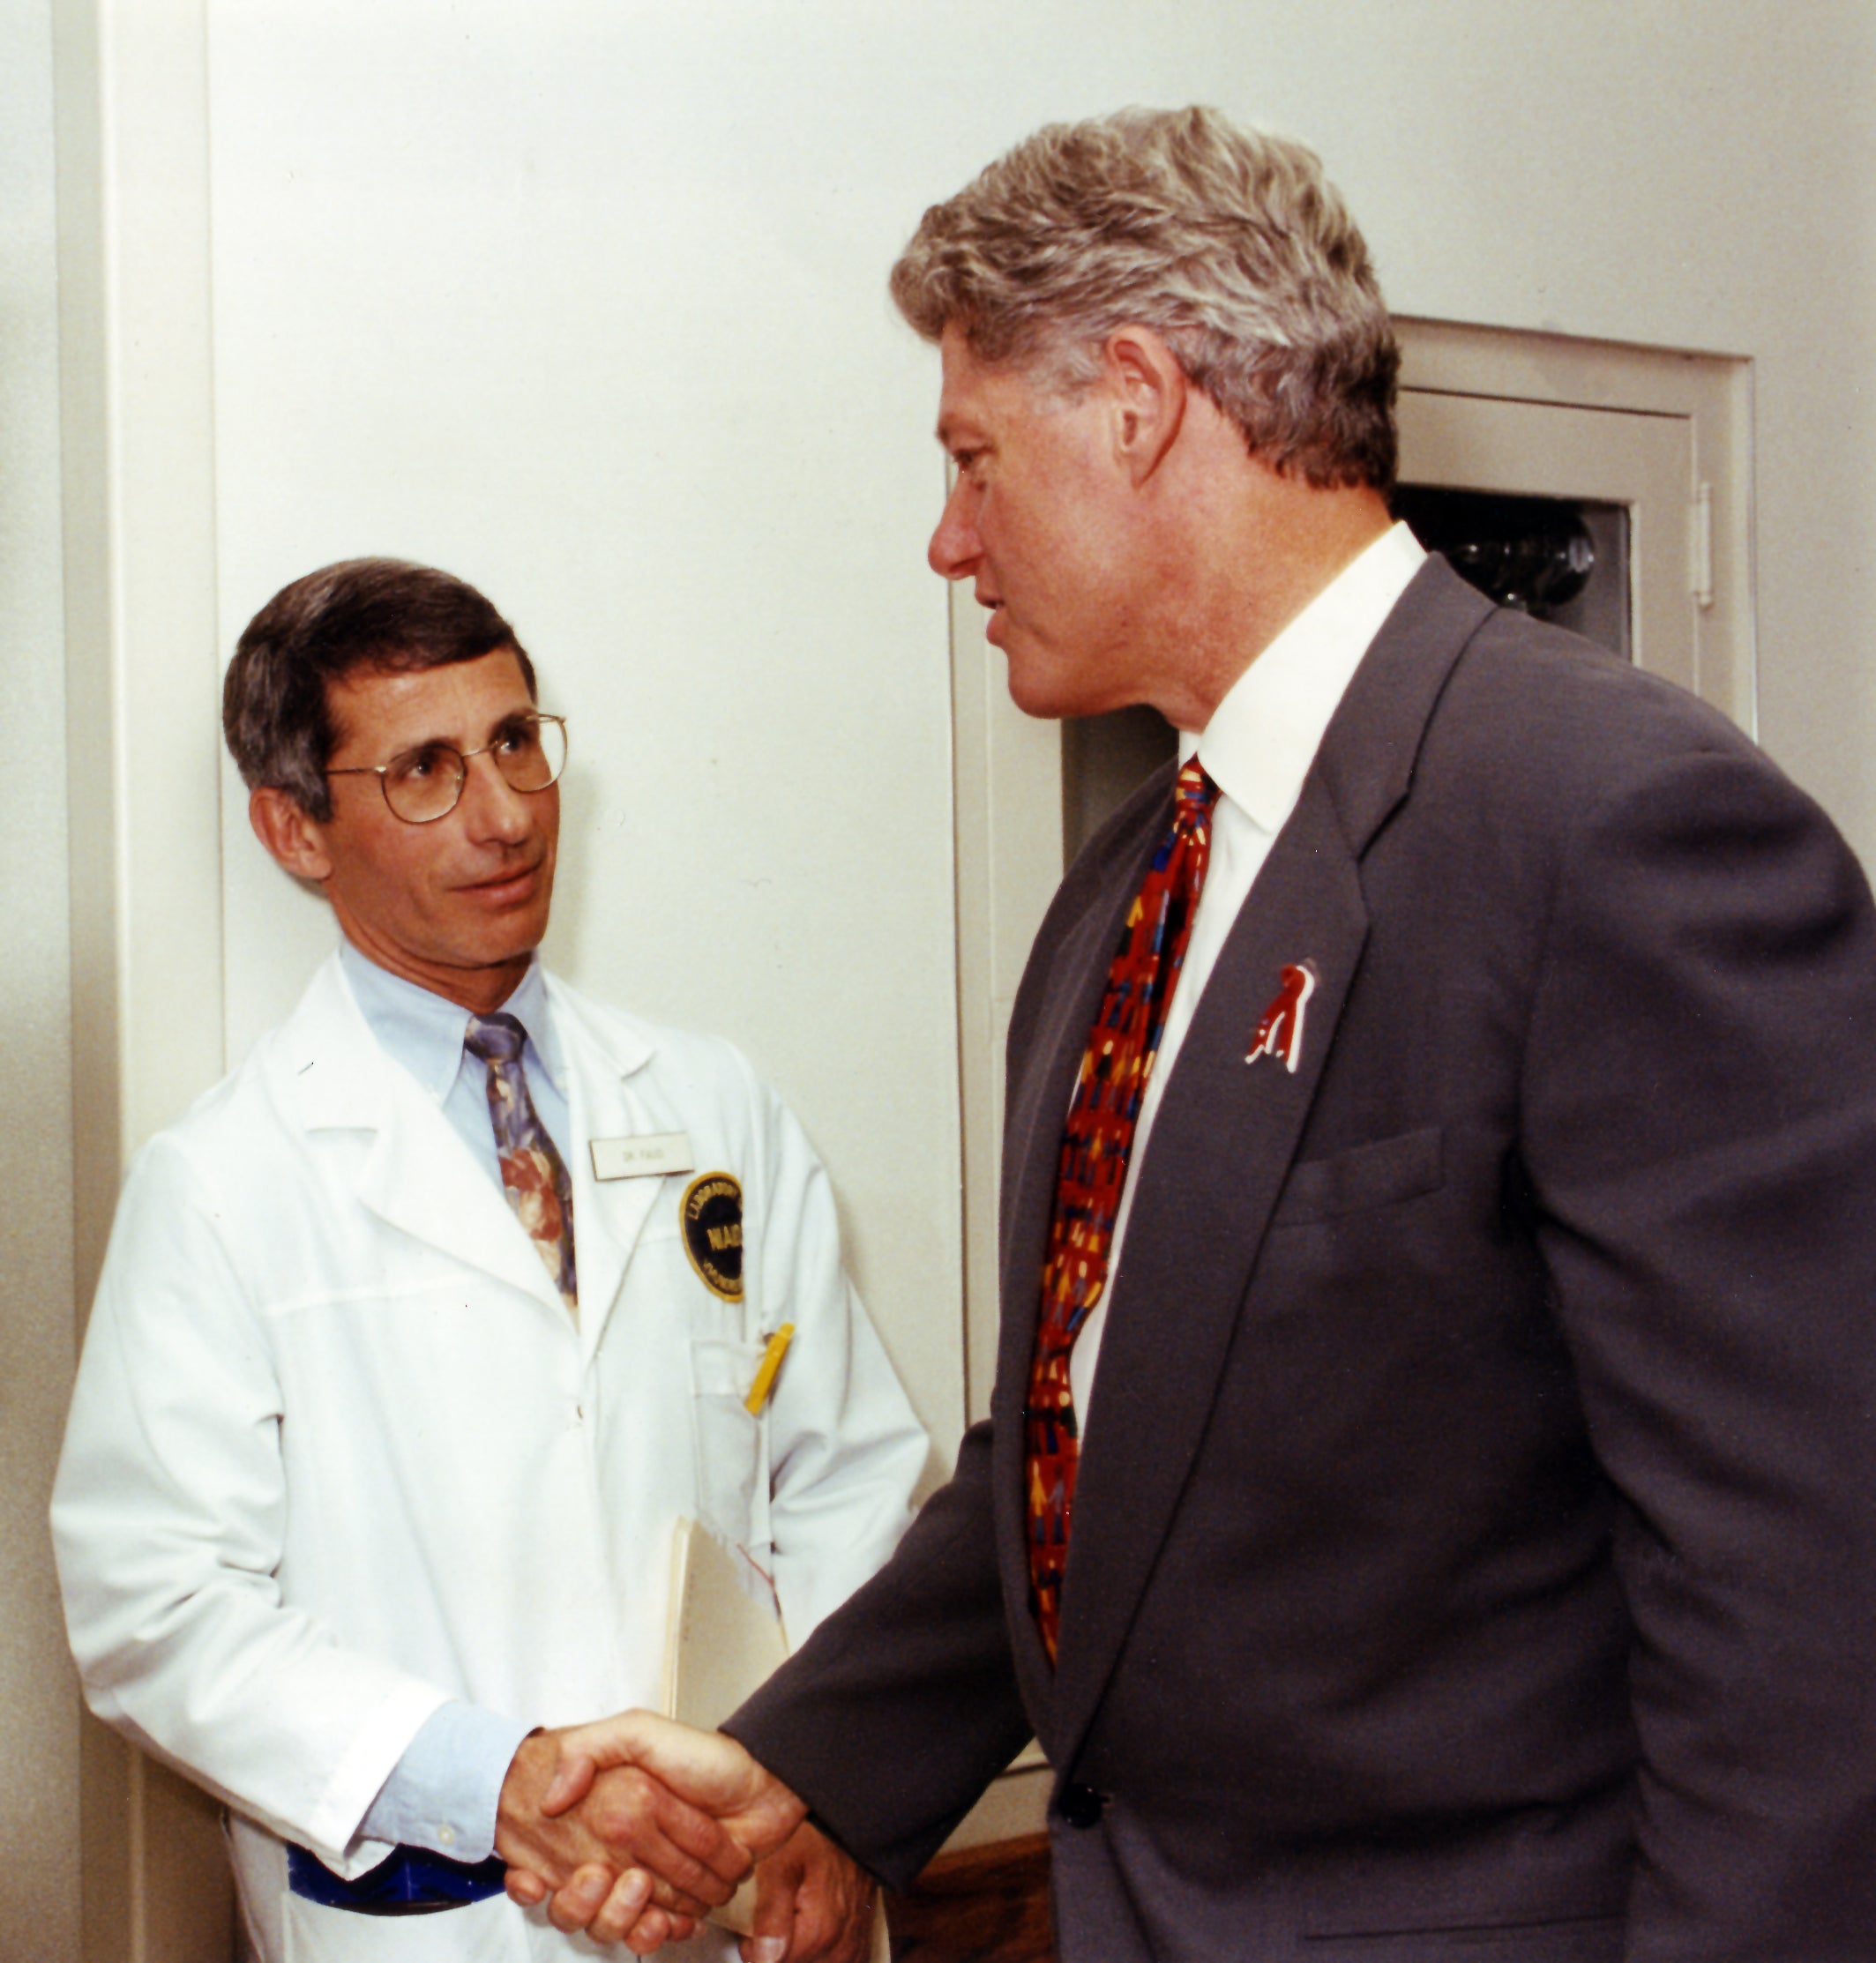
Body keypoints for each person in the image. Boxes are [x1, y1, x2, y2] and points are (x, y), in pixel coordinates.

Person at [512, 106, 1876, 1961]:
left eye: (973, 457)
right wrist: (805, 1770)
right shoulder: (1119, 907)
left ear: (1138, 401)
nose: (945, 537)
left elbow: (1802, 1603)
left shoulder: (1608, 826)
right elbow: (1078, 1469)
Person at [51, 557, 926, 1963]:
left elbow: (847, 1474)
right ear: (295, 828)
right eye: (426, 770)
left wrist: (814, 1795)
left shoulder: (715, 1109)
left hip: (745, 1898)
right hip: (446, 1921)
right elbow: (152, 1607)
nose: (507, 813)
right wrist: (499, 1780)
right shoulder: (222, 1184)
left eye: (518, 740)